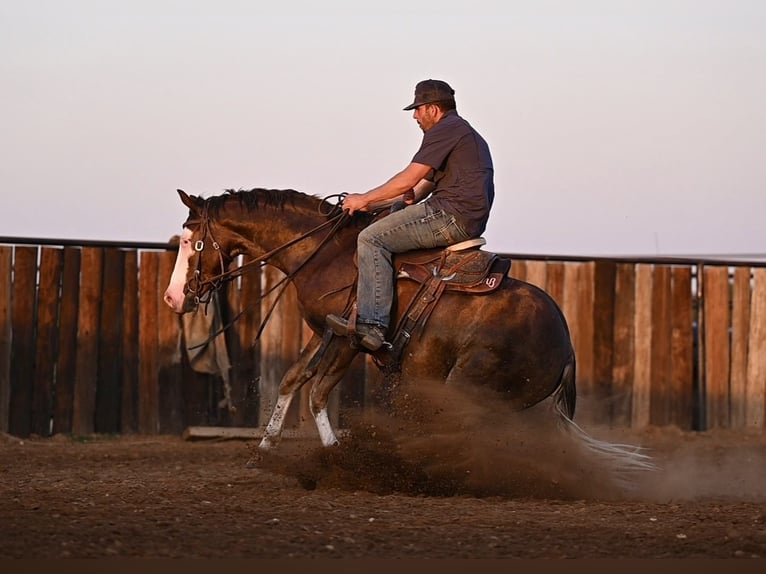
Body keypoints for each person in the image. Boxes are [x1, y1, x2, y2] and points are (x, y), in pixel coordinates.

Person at [326, 79, 495, 351]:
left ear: (433, 109)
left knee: (371, 239)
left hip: (449, 215)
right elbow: (418, 188)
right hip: (463, 215)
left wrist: (364, 197)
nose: (415, 116)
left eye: (418, 109)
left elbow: (409, 178)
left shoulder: (446, 129)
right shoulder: (463, 133)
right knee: (390, 214)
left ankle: (373, 324)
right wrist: (378, 205)